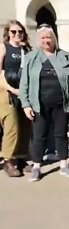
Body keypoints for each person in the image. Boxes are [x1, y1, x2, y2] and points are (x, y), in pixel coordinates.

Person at [19, 24, 69, 182]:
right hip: (39, 105)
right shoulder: (31, 58)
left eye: (49, 37)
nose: (46, 40)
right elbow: (24, 83)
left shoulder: (65, 56)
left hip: (62, 103)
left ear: (55, 39)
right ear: (39, 40)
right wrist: (25, 104)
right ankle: (37, 167)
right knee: (39, 136)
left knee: (61, 135)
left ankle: (64, 165)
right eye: (43, 38)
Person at [0, 20, 32, 177]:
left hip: (24, 92)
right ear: (8, 33)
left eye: (20, 32)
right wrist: (11, 89)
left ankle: (21, 158)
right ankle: (8, 160)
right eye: (13, 32)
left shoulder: (26, 49)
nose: (17, 34)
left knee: (25, 125)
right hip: (7, 92)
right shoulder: (3, 47)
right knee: (11, 126)